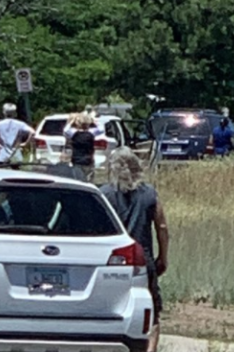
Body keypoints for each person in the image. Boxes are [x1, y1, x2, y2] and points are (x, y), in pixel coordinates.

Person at [100, 148, 169, 340]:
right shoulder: (149, 194)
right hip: (143, 260)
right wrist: (163, 257)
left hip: (112, 262)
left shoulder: (104, 194)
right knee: (152, 313)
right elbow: (162, 226)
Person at [65, 111, 97, 180]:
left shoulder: (74, 133)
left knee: (77, 179)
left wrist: (71, 121)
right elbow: (101, 129)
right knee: (88, 179)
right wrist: (94, 120)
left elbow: (66, 130)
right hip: (88, 161)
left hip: (76, 161)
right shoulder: (91, 133)